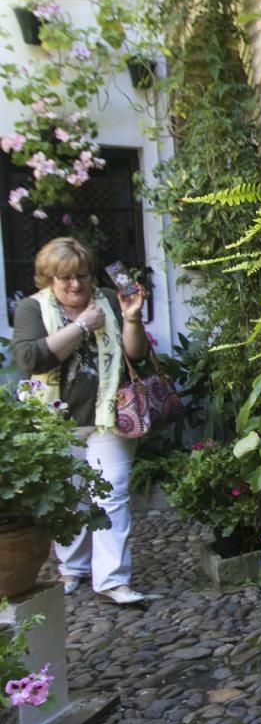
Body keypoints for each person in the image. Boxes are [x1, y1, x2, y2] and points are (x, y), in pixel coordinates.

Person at [11, 237, 150, 605]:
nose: (75, 285)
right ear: (49, 279)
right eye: (65, 278)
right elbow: (32, 359)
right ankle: (73, 567)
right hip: (55, 419)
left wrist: (132, 317)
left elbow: (136, 353)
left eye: (82, 276)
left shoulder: (108, 299)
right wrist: (83, 326)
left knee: (113, 495)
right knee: (70, 497)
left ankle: (113, 581)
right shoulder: (32, 308)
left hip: (109, 416)